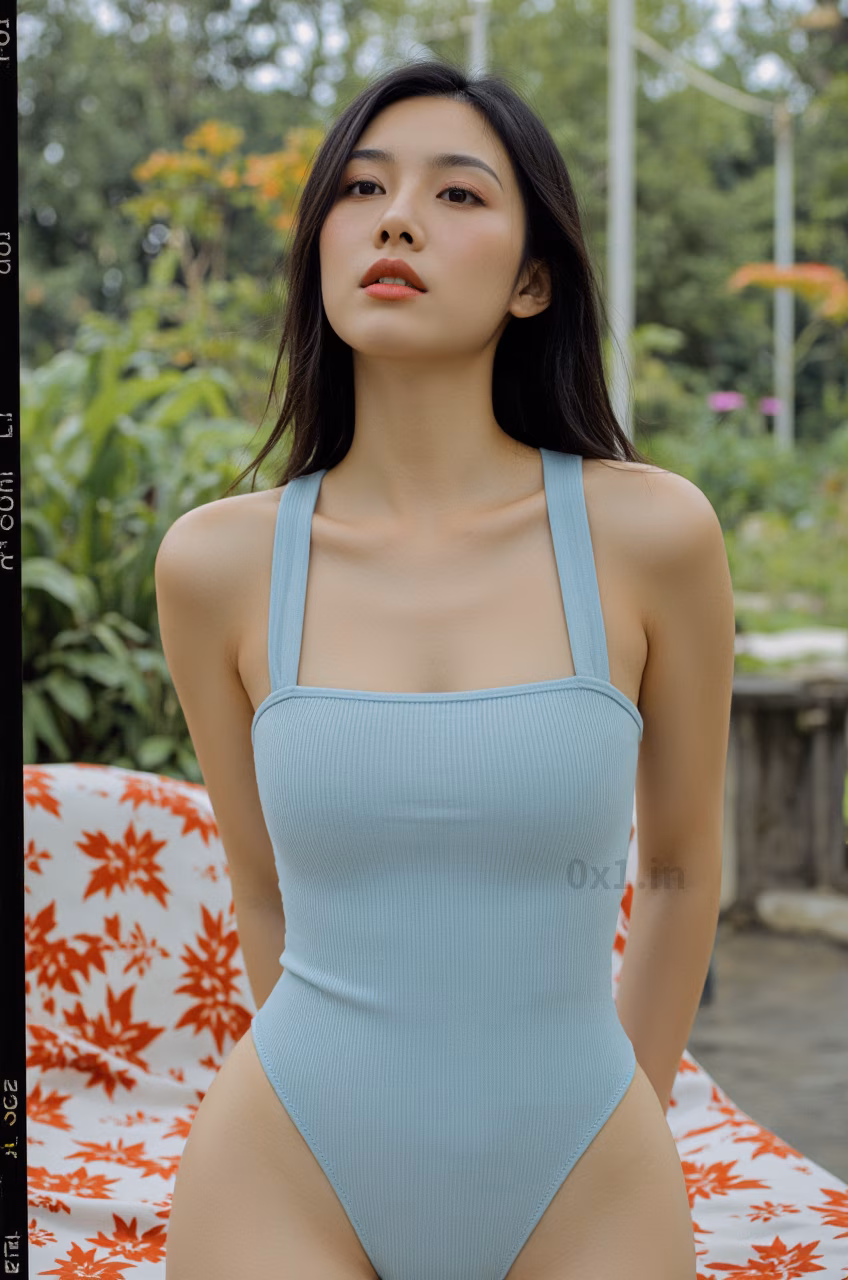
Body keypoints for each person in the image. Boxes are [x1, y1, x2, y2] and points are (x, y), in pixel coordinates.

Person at [155, 57, 735, 1280]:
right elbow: (263, 891)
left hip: (581, 1163)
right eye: (360, 188)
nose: (397, 216)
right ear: (322, 246)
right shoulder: (216, 563)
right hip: (289, 1161)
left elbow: (680, 869)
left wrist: (613, 1123)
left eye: (458, 195)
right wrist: (352, 1111)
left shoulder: (653, 536)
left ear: (533, 279)